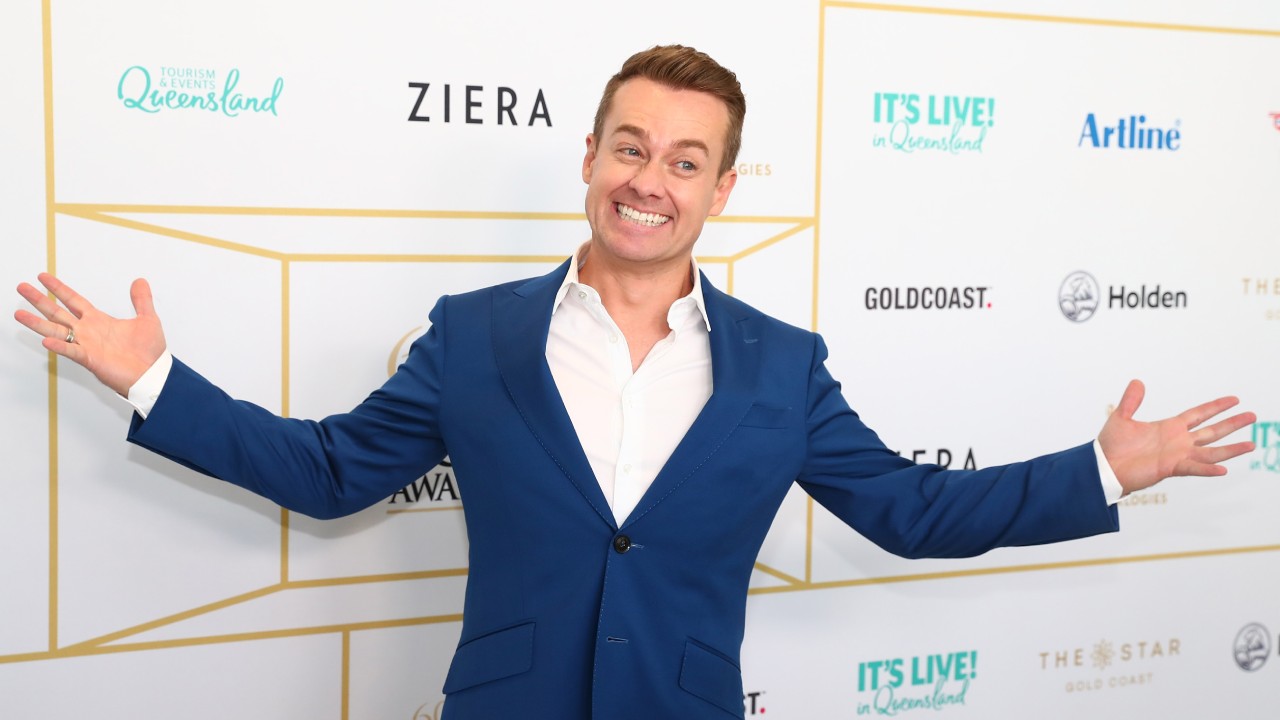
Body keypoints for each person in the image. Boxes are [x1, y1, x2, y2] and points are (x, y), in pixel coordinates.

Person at [14, 46, 1255, 719]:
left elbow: (912, 512)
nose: (648, 180)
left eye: (684, 160)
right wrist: (152, 377)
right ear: (589, 158)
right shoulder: (475, 334)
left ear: (721, 190)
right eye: (630, 146)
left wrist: (1103, 470)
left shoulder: (784, 366)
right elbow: (331, 472)